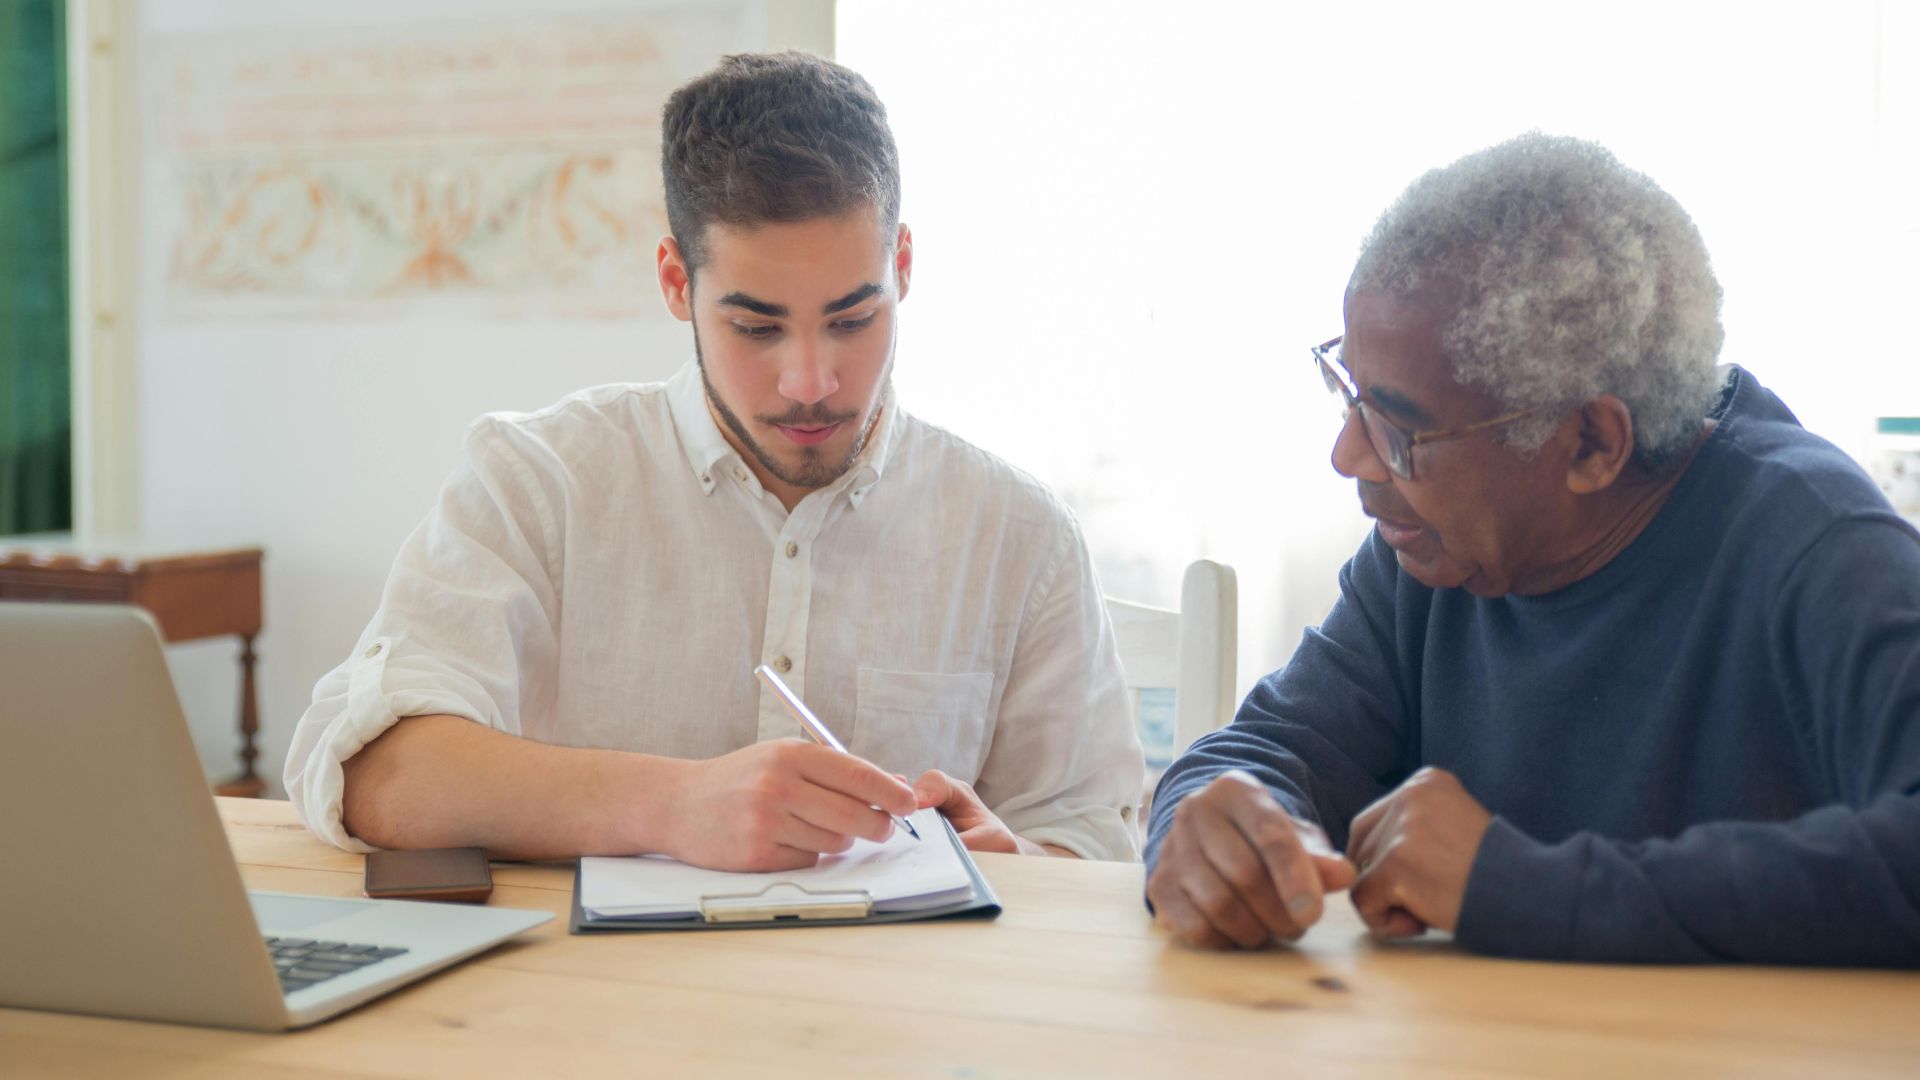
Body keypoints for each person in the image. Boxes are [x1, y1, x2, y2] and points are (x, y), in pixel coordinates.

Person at [285, 52, 1143, 869]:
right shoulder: (538, 482)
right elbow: (368, 770)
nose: (811, 381)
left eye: (851, 318)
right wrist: (671, 804)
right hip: (590, 1010)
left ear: (903, 266)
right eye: (756, 327)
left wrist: (1016, 860)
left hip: (905, 1010)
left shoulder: (1020, 535)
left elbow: (1097, 841)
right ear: (674, 283)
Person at [1145, 132, 1920, 965]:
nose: (1351, 459)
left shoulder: (1820, 549)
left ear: (1590, 442)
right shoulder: (1433, 551)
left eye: (1399, 429)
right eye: (1350, 395)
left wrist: (1517, 886)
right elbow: (1269, 748)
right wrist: (1211, 819)